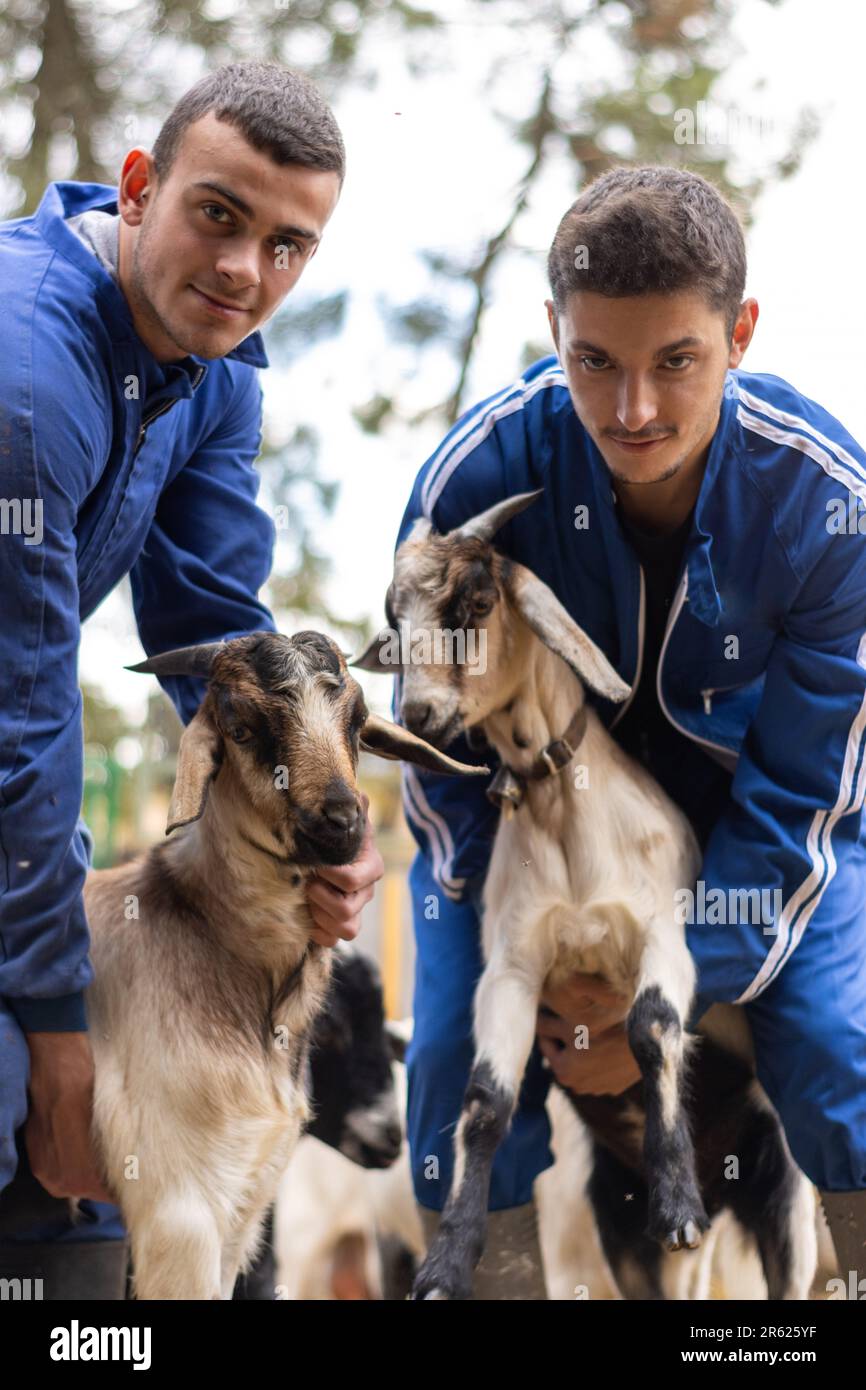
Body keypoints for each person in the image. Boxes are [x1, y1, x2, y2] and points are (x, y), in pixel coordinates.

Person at [397, 164, 866, 1298]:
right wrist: (517, 938)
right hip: (525, 832)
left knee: (840, 1053)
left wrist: (656, 997)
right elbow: (436, 747)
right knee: (448, 1061)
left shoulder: (823, 501)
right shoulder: (472, 479)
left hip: (757, 834)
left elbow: (807, 789)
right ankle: (491, 1282)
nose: (632, 409)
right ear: (551, 330)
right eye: (593, 361)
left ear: (739, 332)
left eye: (675, 362)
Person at [0, 60, 383, 1299]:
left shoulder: (214, 373)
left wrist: (317, 820)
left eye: (287, 245)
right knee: (27, 1089)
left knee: (88, 1227)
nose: (243, 271)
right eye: (217, 215)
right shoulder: (27, 379)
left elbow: (220, 632)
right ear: (139, 186)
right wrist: (57, 1034)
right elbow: (21, 719)